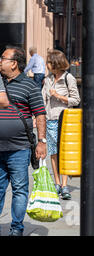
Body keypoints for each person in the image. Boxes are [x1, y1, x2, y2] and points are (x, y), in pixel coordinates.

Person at [0, 46, 47, 236]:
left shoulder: (30, 86)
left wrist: (42, 141)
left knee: (20, 190)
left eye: (3, 58)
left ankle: (16, 228)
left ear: (14, 64)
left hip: (19, 148)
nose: (0, 61)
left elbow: (40, 114)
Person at [42, 49, 80, 200]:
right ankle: (57, 182)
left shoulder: (68, 78)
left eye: (49, 62)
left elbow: (76, 100)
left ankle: (64, 185)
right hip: (49, 119)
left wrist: (58, 96)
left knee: (64, 152)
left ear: (55, 63)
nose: (47, 64)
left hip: (64, 119)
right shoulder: (48, 79)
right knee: (53, 153)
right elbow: (42, 98)